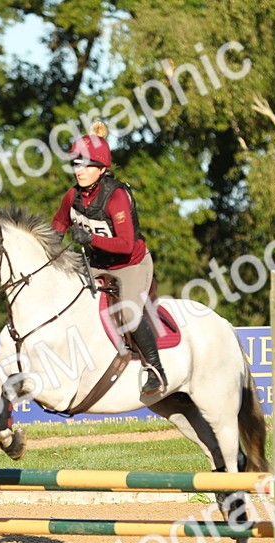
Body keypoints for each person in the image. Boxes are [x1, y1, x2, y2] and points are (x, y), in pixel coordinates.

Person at [51, 122, 167, 395]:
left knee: (128, 313)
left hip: (130, 264)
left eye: (86, 165)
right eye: (76, 164)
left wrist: (90, 239)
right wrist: (50, 246)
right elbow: (58, 223)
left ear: (102, 169)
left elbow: (126, 245)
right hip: (97, 264)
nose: (79, 170)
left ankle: (155, 369)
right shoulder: (72, 196)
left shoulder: (116, 196)